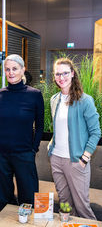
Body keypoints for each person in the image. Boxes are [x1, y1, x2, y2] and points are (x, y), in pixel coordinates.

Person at [0, 54, 44, 212]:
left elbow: (40, 126)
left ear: (23, 70)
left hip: (24, 153)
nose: (11, 72)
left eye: (14, 69)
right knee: (4, 198)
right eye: (7, 69)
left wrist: (34, 149)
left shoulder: (34, 95)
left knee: (29, 197)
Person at [48, 58, 101, 220]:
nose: (61, 77)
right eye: (58, 74)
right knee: (64, 204)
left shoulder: (85, 101)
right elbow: (59, 130)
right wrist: (51, 148)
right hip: (56, 159)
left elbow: (96, 132)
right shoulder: (54, 99)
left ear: (72, 74)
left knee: (82, 207)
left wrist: (84, 158)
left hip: (76, 161)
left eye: (65, 73)